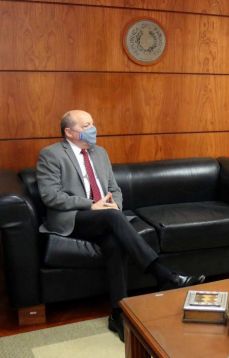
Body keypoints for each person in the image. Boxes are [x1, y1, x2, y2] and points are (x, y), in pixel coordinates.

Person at [36, 110, 205, 342]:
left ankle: (117, 313)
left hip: (104, 216)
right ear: (69, 131)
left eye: (93, 123)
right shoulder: (51, 155)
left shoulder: (100, 153)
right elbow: (50, 196)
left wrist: (114, 205)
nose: (93, 128)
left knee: (114, 240)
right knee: (114, 219)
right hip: (73, 217)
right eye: (87, 125)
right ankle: (163, 274)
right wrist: (91, 205)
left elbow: (114, 188)